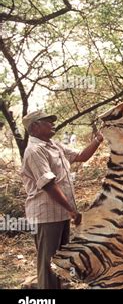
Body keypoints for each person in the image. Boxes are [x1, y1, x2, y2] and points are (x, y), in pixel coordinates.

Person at [21, 110, 104, 288]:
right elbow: (49, 185)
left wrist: (98, 139)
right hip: (46, 215)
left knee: (60, 260)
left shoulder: (54, 145)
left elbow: (81, 156)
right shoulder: (35, 151)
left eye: (52, 120)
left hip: (60, 213)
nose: (52, 124)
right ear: (34, 127)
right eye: (47, 121)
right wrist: (72, 210)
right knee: (49, 262)